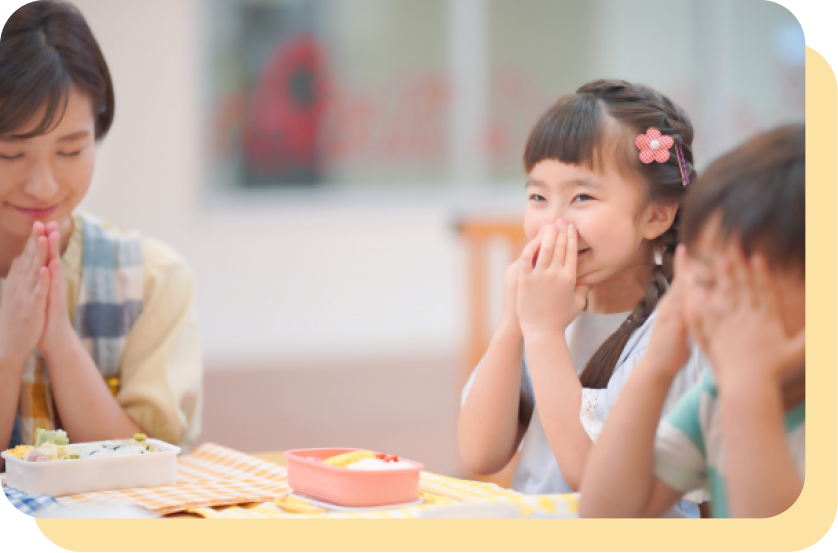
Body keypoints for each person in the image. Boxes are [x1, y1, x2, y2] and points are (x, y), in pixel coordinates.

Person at [458, 79, 708, 517]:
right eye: (538, 196)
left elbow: (598, 482)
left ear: (655, 215)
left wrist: (541, 332)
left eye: (582, 197)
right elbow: (481, 454)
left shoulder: (673, 331)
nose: (553, 222)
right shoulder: (546, 312)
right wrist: (512, 324)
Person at [0, 0, 202, 468]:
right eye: (11, 155)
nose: (43, 185)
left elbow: (151, 464)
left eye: (70, 150)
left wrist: (61, 343)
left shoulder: (153, 278)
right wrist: (9, 351)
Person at [578, 123, 805, 518]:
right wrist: (655, 370)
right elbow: (606, 516)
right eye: (703, 279)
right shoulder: (713, 398)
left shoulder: (743, 391)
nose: (714, 305)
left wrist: (750, 389)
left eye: (744, 289)